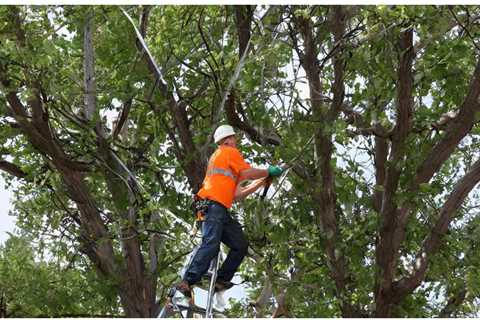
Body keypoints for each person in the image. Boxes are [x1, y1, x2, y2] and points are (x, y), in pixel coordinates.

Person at [176, 124, 283, 296]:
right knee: (211, 244)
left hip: (220, 210)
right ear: (228, 139)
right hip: (212, 206)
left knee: (240, 245)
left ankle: (221, 280)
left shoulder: (226, 163)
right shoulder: (228, 151)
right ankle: (187, 281)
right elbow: (248, 173)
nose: (236, 141)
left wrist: (263, 180)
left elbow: (237, 194)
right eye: (235, 138)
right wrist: (267, 171)